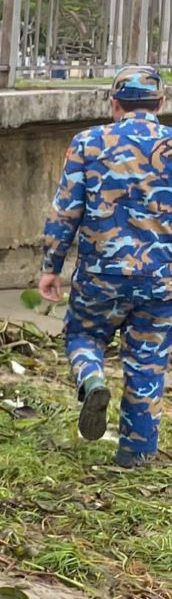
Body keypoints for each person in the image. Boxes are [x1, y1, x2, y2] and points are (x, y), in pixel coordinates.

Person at [38, 65, 172, 467]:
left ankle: (92, 378)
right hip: (161, 279)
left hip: (101, 274)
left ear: (114, 104)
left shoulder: (88, 143)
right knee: (148, 363)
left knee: (83, 335)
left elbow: (66, 210)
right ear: (161, 103)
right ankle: (137, 452)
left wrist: (51, 266)